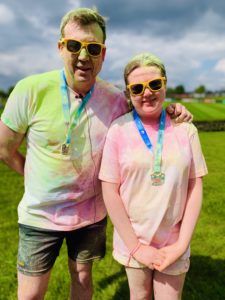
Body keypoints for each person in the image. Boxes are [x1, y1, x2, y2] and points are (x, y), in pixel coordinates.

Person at [0, 8, 192, 300]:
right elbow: (4, 148)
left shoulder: (115, 98)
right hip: (40, 216)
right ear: (61, 47)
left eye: (92, 48)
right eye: (74, 46)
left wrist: (172, 109)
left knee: (83, 280)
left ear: (103, 53)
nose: (83, 56)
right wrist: (34, 180)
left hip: (90, 216)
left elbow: (146, 107)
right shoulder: (30, 90)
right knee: (30, 294)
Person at [99, 52, 208, 300]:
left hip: (173, 242)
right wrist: (137, 247)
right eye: (137, 88)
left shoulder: (185, 129)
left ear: (165, 84)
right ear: (128, 94)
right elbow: (110, 191)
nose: (147, 92)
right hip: (133, 239)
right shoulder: (118, 130)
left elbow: (195, 186)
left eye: (154, 84)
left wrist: (180, 245)